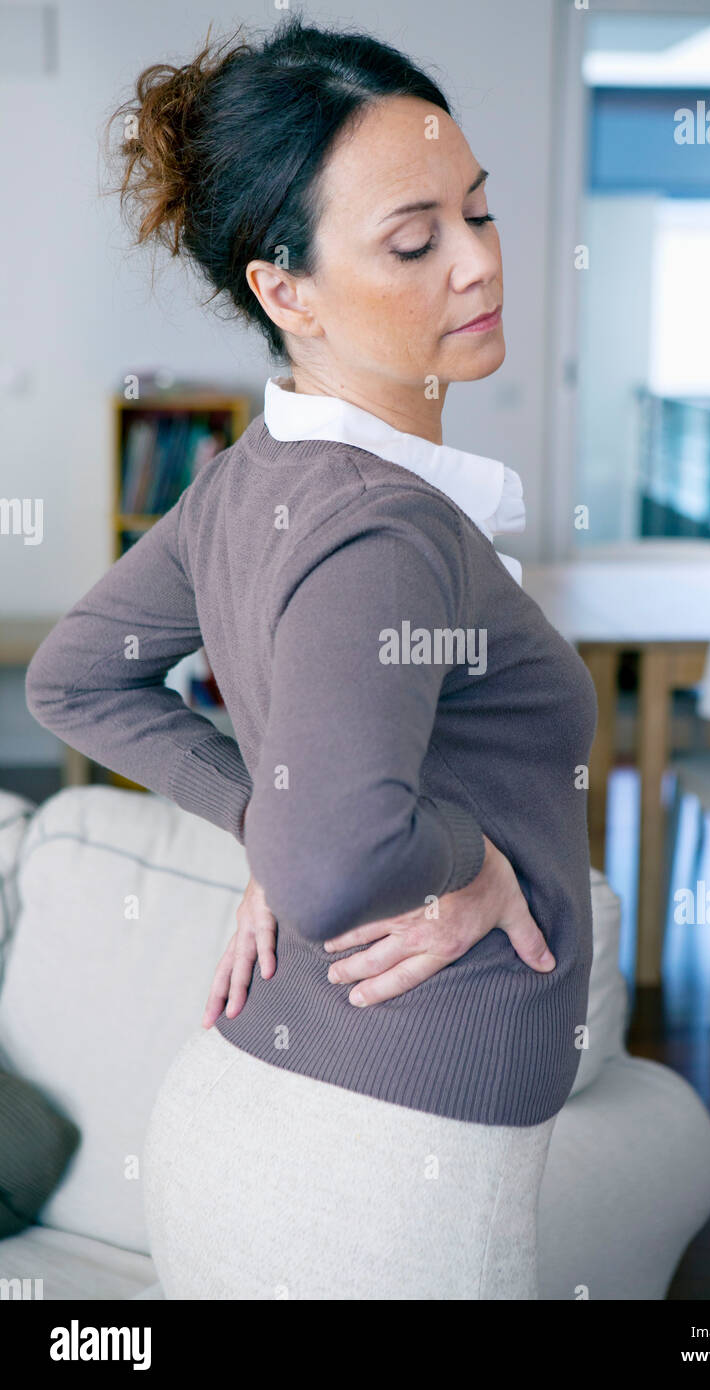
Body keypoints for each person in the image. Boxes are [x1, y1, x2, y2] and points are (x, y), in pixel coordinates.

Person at [24, 14, 597, 1299]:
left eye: (479, 212)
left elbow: (72, 676)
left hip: (277, 1113)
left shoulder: (253, 480)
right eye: (412, 239)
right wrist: (476, 858)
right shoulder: (381, 524)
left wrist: (262, 812)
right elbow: (336, 856)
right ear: (284, 291)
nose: (475, 264)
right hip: (380, 1175)